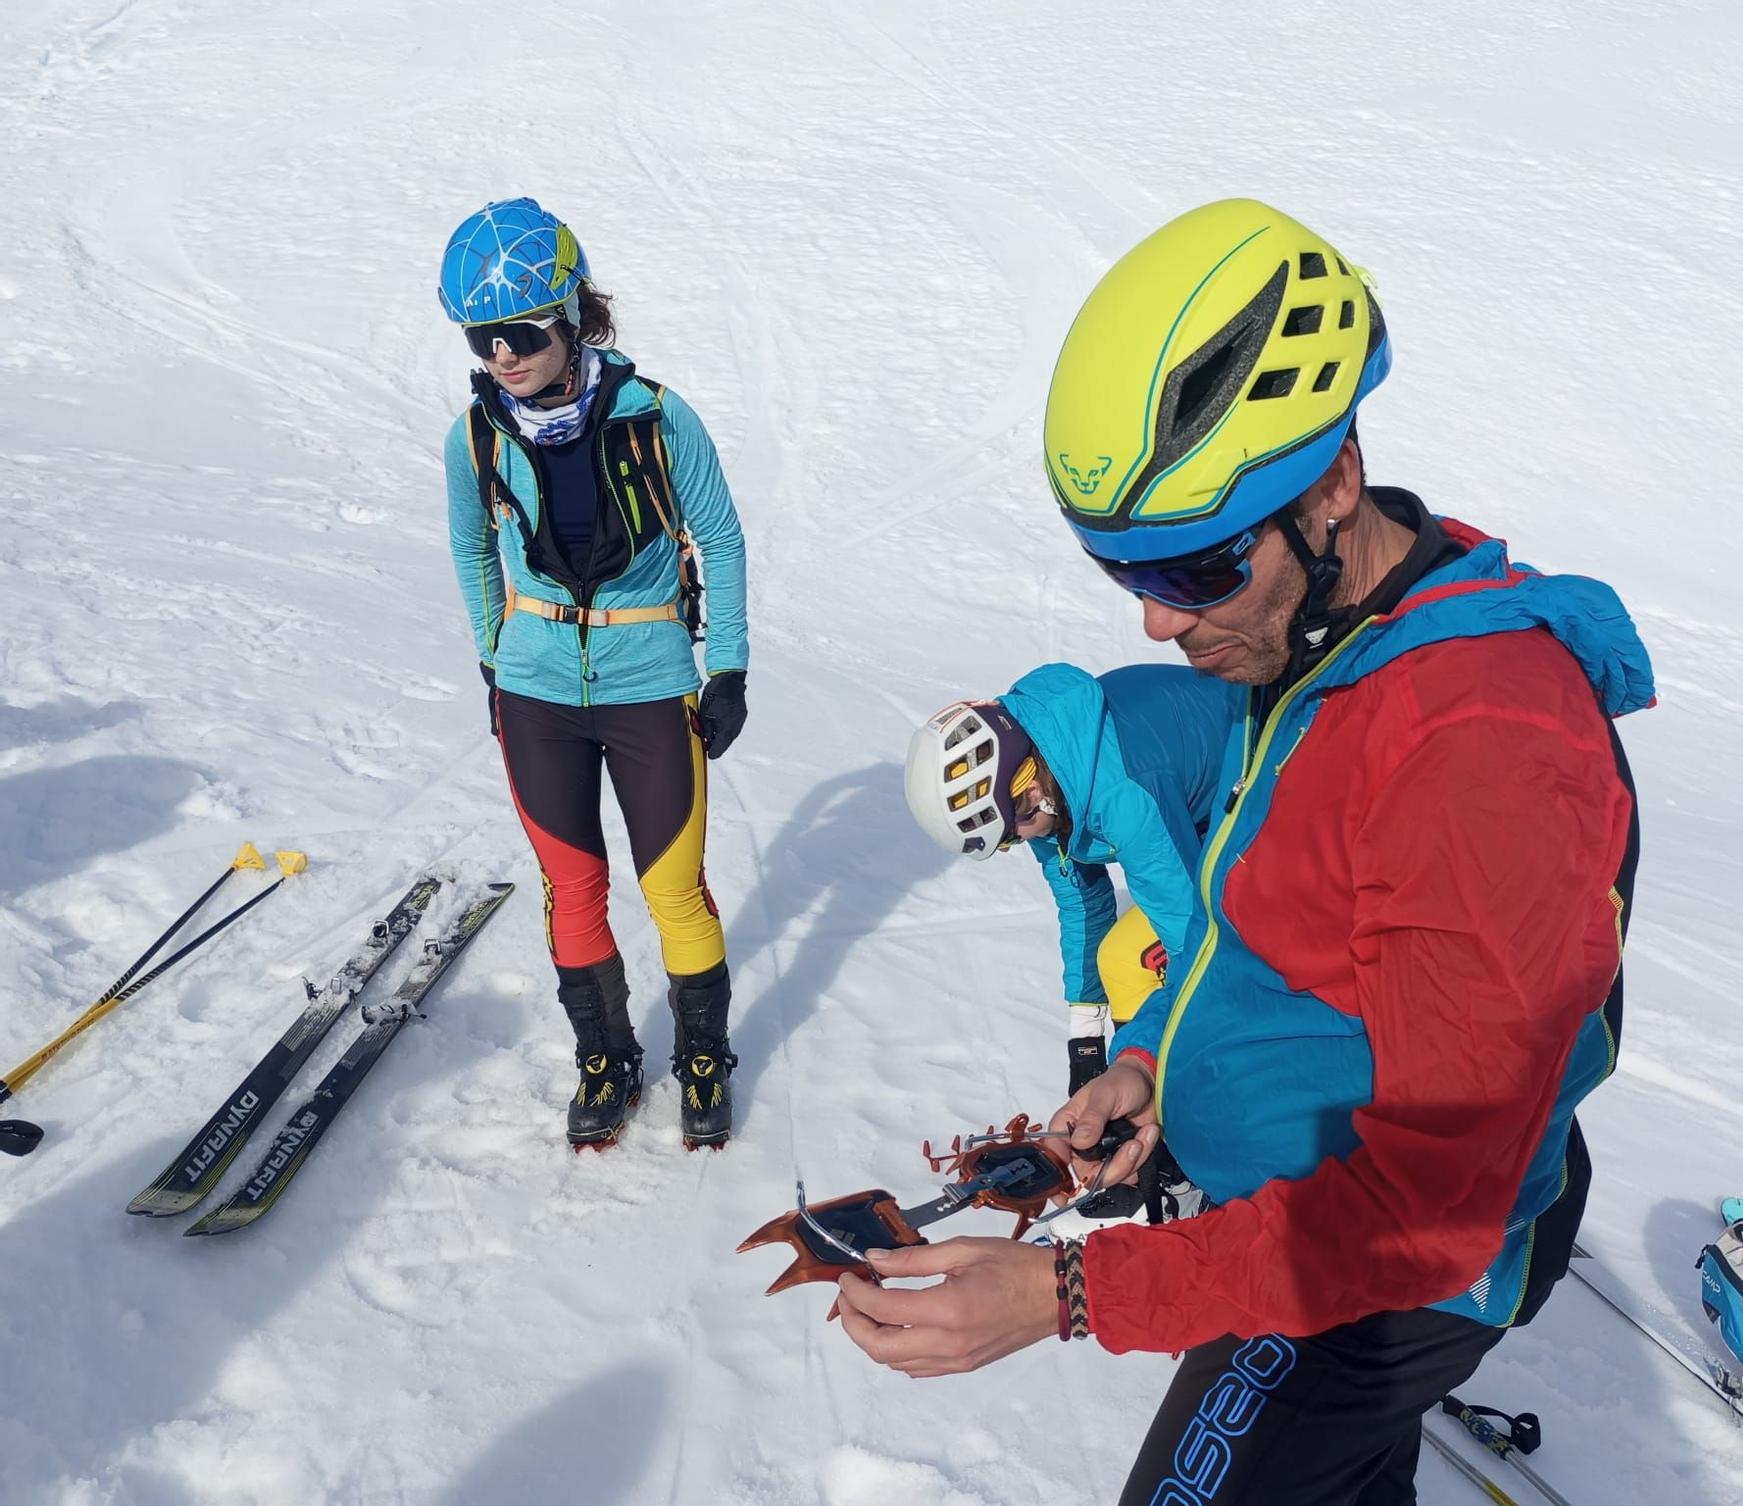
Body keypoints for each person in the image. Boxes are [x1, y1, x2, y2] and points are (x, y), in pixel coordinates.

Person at [836, 198, 1654, 1506]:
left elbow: (1427, 1209)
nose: (1159, 622)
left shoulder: (1479, 744)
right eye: (1125, 574)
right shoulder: (1325, 643)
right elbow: (1256, 929)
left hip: (1381, 1267)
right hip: (1296, 1213)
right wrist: (1155, 1060)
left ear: (1333, 485)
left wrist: (1069, 1291)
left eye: (1201, 566)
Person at [439, 198, 749, 1150]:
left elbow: (723, 541)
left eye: (521, 333)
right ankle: (605, 1059)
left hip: (649, 679)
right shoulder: (478, 436)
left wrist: (726, 666)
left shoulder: (656, 415)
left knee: (674, 891)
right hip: (535, 689)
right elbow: (470, 551)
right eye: (482, 338)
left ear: (573, 317)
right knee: (571, 888)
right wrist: (497, 662)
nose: (502, 355)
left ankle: (702, 1062)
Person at [903, 662, 1231, 1095]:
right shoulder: (1044, 765)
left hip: (1274, 812)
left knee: (1148, 965)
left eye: (1010, 835)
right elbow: (1083, 902)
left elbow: (1194, 941)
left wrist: (1147, 1066)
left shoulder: (1124, 795)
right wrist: (1087, 1045)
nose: (1017, 844)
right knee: (1117, 958)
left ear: (1030, 791)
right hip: (1204, 820)